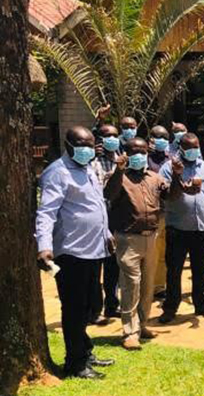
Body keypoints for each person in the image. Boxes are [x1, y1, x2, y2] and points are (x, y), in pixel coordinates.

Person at [35, 126, 115, 379]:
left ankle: (85, 350)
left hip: (94, 250)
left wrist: (107, 235)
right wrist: (44, 246)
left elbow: (96, 205)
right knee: (74, 308)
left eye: (91, 145)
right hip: (71, 252)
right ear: (68, 144)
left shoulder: (88, 168)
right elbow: (46, 212)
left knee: (92, 305)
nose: (87, 149)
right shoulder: (57, 173)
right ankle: (76, 364)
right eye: (82, 144)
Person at [104, 137, 168, 349]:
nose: (139, 155)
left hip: (151, 237)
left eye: (143, 151)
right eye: (134, 151)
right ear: (127, 154)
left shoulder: (154, 177)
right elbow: (109, 194)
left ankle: (142, 324)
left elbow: (172, 196)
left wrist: (176, 176)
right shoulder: (118, 177)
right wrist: (119, 170)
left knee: (148, 284)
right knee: (131, 284)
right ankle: (129, 332)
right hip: (128, 239)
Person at [158, 133, 204, 323]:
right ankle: (170, 307)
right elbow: (167, 196)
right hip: (177, 228)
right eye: (189, 148)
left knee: (201, 269)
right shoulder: (169, 168)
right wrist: (179, 179)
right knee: (175, 270)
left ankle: (201, 304)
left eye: (196, 147)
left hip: (201, 228)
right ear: (181, 148)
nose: (193, 151)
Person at [91, 124, 122, 323]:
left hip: (116, 219)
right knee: (95, 268)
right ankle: (95, 310)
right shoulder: (92, 163)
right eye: (108, 136)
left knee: (113, 267)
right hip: (98, 219)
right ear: (100, 140)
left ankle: (112, 304)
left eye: (115, 135)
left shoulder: (120, 159)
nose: (113, 138)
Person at [147, 125, 171, 298]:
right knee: (152, 252)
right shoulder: (144, 160)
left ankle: (160, 286)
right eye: (158, 137)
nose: (161, 141)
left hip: (170, 212)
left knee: (165, 252)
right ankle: (148, 286)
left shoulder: (172, 160)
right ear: (151, 140)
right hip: (152, 212)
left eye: (165, 137)